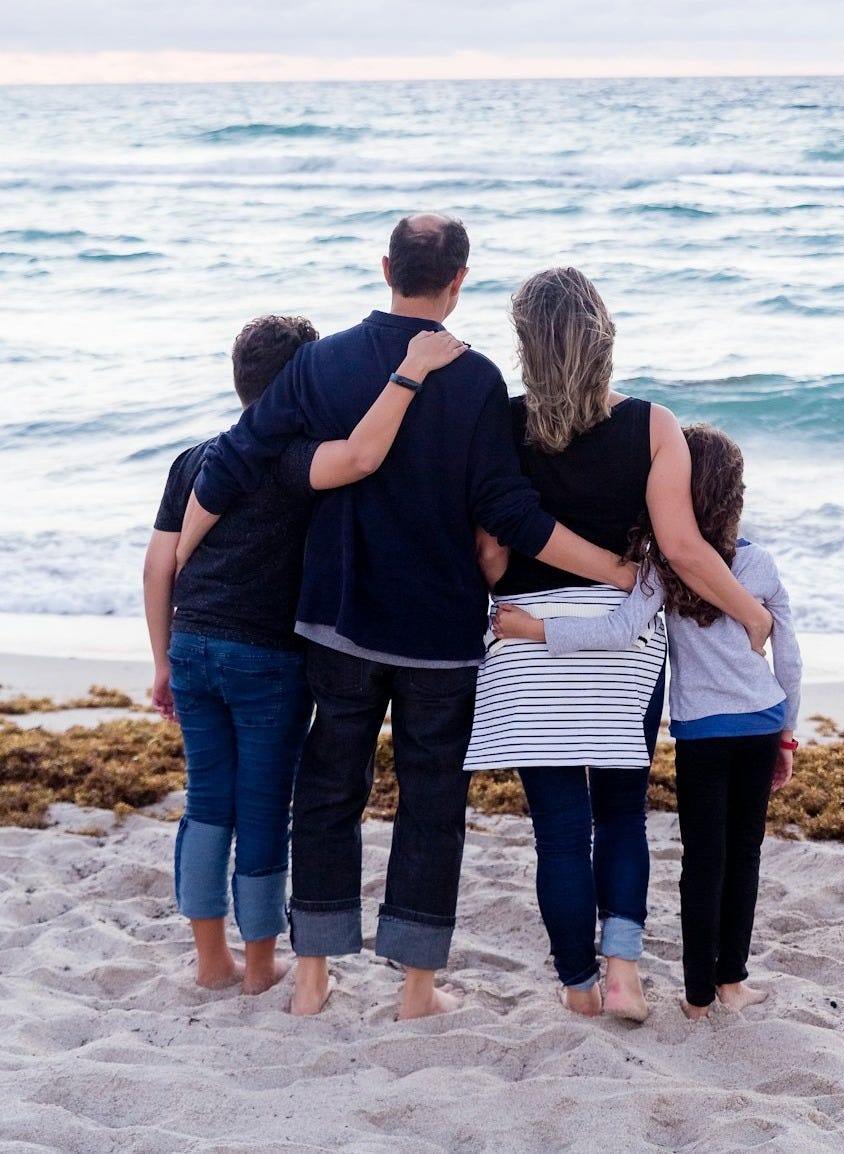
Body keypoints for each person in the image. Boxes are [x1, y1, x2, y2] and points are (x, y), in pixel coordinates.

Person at [178, 216, 636, 1020]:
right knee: (430, 803)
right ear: (460, 279)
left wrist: (182, 558)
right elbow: (510, 513)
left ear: (386, 265)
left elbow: (236, 457)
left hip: (339, 621)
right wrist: (618, 573)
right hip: (438, 633)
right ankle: (417, 991)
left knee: (328, 792)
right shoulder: (478, 380)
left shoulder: (321, 363)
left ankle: (313, 977)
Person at [463, 269, 773, 1021]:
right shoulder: (652, 425)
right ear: (604, 335)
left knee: (560, 832)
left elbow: (491, 561)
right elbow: (683, 548)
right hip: (622, 647)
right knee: (623, 814)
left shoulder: (500, 425)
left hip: (527, 644)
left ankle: (578, 987)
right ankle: (626, 971)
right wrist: (751, 617)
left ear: (526, 344)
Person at [144, 313, 467, 995]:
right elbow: (359, 456)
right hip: (265, 660)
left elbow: (158, 567)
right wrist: (411, 374)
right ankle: (260, 966)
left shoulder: (195, 457)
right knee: (262, 809)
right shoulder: (292, 459)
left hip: (192, 645)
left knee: (208, 803)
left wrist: (162, 662)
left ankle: (210, 961)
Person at [493, 424, 802, 1018]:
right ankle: (732, 981)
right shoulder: (758, 564)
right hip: (761, 724)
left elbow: (616, 631)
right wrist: (787, 731)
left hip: (701, 734)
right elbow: (788, 657)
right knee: (746, 856)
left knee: (703, 860)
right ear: (735, 494)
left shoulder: (663, 568)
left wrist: (534, 628)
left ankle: (695, 998)